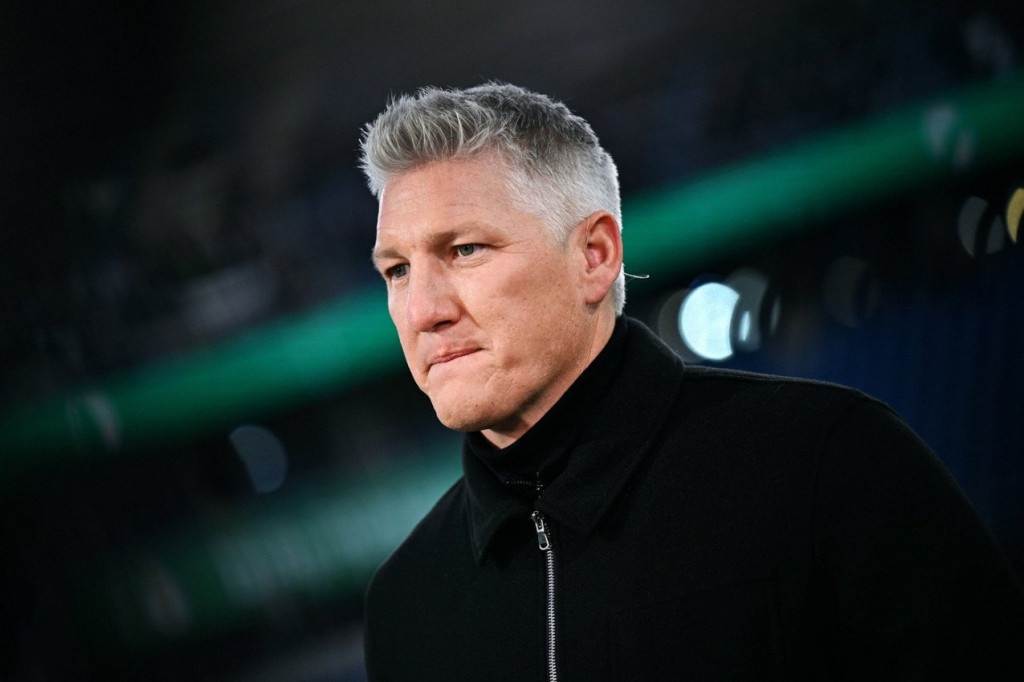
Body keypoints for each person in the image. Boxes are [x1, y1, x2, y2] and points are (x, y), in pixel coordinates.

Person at [359, 83, 1024, 681]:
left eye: (465, 250)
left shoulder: (830, 459)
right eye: (397, 271)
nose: (422, 311)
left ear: (594, 256)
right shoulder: (405, 606)